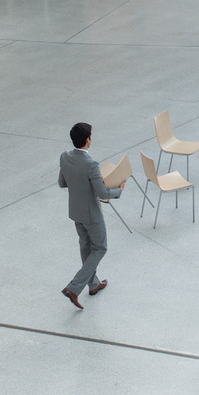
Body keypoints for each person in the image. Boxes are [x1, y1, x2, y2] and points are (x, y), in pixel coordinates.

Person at [58, 122, 126, 309]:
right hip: (91, 214)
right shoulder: (91, 164)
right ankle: (74, 287)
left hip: (75, 211)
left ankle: (93, 284)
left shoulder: (64, 157)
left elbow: (62, 183)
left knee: (85, 247)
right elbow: (103, 193)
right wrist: (118, 191)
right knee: (100, 248)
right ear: (88, 139)